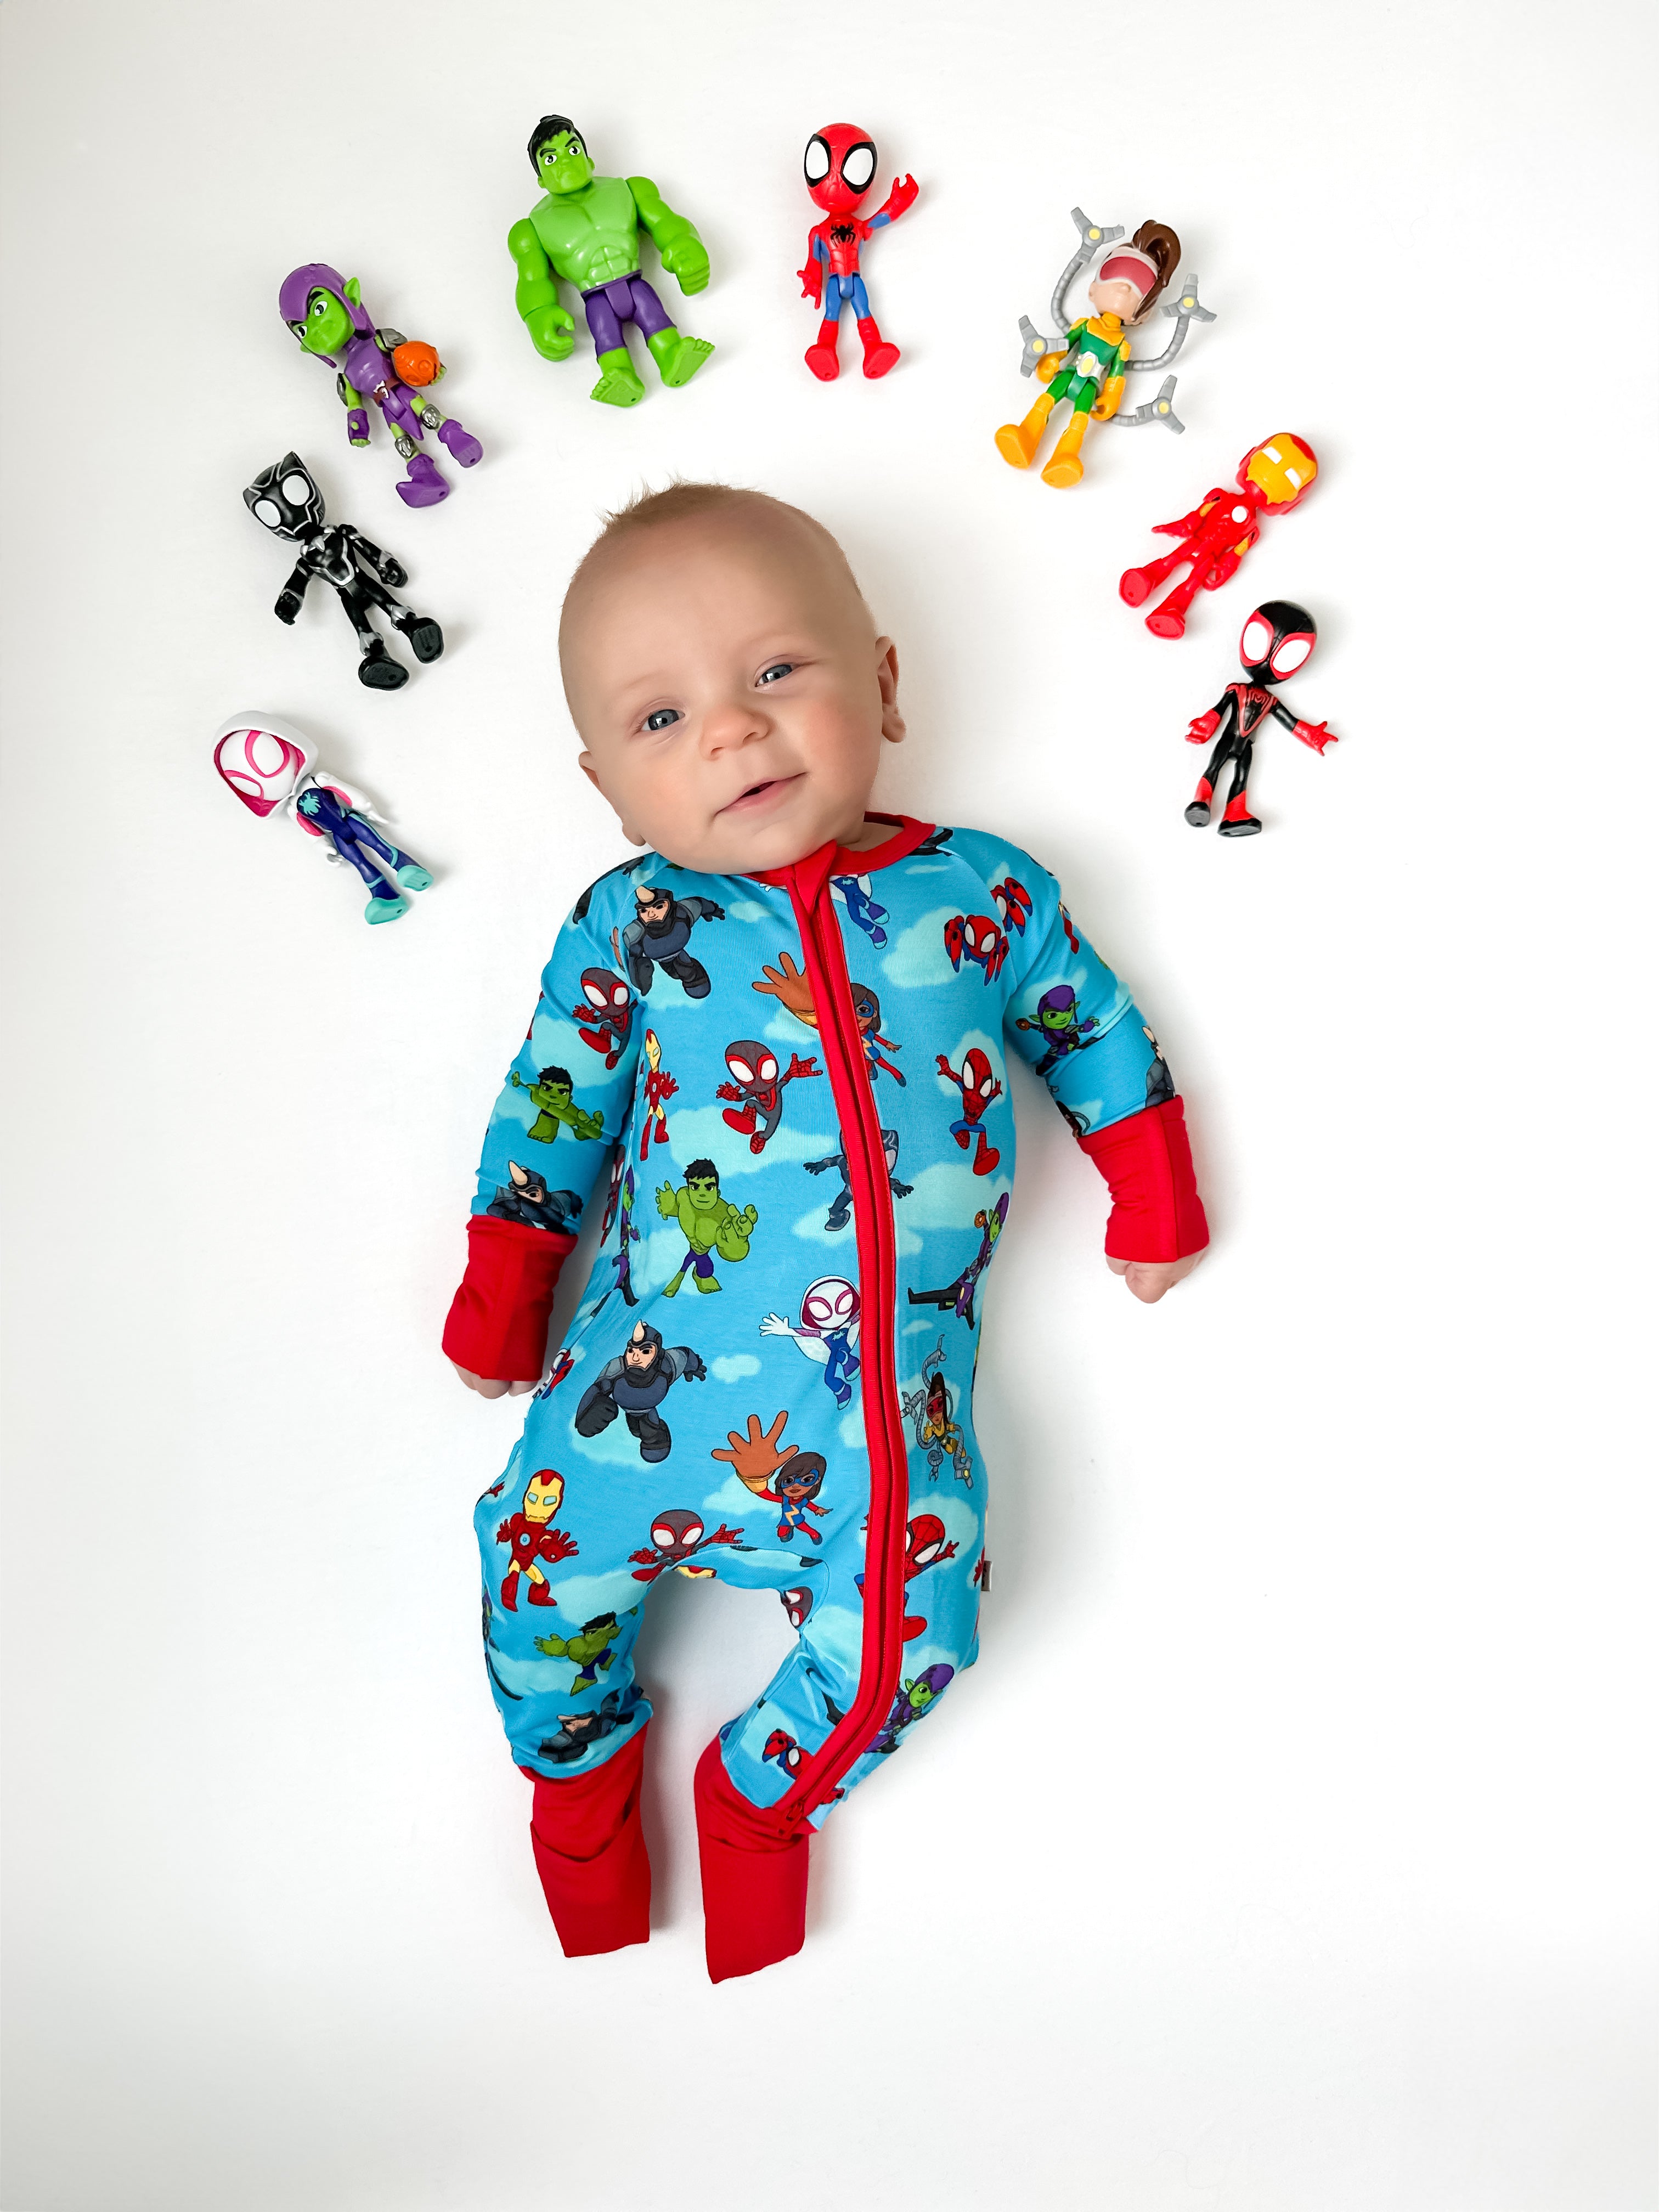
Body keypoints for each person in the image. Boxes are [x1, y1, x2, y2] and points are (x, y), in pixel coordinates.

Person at [443, 483, 1208, 1982]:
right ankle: (581, 1803)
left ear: (885, 684)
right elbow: (553, 1104)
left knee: (922, 1639)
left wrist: (1155, 1190)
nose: (733, 730)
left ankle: (759, 1800)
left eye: (777, 671)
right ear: (609, 788)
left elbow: (1091, 1025)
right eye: (662, 719)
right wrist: (506, 1286)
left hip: (885, 1434)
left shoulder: (978, 893)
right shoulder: (633, 924)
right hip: (635, 1402)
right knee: (529, 1590)